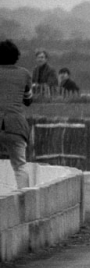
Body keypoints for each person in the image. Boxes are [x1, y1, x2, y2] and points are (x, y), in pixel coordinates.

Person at [0, 39, 34, 189]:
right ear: (16, 57)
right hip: (16, 126)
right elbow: (28, 100)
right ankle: (24, 203)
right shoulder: (24, 74)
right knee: (20, 165)